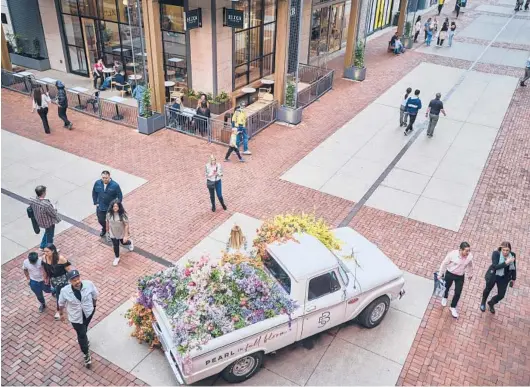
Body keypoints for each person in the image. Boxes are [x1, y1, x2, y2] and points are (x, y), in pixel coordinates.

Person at [58, 269, 98, 368]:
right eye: (74, 280)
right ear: (69, 282)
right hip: (76, 318)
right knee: (81, 334)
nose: (77, 281)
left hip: (88, 313)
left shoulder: (89, 284)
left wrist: (94, 306)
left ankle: (84, 338)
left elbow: (95, 295)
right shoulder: (65, 291)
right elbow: (61, 304)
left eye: (78, 278)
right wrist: (61, 314)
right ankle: (86, 354)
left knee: (84, 329)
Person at [438, 242, 474, 319]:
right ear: (461, 250)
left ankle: (453, 307)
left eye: (469, 250)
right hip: (450, 274)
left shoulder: (469, 256)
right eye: (466, 251)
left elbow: (470, 265)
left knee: (458, 292)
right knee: (446, 287)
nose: (468, 252)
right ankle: (445, 297)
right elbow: (444, 263)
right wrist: (440, 274)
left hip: (460, 276)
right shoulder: (452, 254)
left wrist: (470, 274)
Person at [480, 242, 517, 313]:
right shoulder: (496, 254)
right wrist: (506, 262)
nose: (505, 252)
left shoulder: (512, 255)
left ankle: (491, 302)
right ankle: (483, 301)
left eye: (507, 250)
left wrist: (513, 278)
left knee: (501, 295)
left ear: (510, 250)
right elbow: (495, 267)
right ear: (501, 248)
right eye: (504, 250)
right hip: (494, 275)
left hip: (504, 278)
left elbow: (514, 267)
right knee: (488, 289)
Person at [42, 243, 72, 320]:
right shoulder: (44, 258)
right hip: (53, 280)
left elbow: (69, 270)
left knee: (59, 295)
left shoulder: (60, 259)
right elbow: (45, 268)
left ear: (53, 251)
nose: (45, 253)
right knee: (55, 290)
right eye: (44, 251)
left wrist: (72, 279)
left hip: (61, 280)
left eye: (47, 251)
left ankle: (58, 310)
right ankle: (57, 292)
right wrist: (45, 277)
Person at [29, 185, 61, 250]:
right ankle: (50, 249)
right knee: (50, 236)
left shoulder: (32, 200)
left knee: (47, 232)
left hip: (39, 221)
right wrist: (54, 208)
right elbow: (53, 214)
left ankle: (42, 246)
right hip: (48, 223)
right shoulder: (46, 204)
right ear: (43, 193)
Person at [92, 171, 123, 237]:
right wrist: (96, 202)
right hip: (100, 206)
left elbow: (120, 196)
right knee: (100, 220)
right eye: (103, 178)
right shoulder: (97, 183)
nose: (104, 179)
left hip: (110, 208)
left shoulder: (115, 185)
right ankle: (105, 229)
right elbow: (94, 192)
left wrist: (117, 206)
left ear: (109, 177)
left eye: (106, 178)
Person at [106, 199, 134, 266]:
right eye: (114, 206)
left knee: (123, 243)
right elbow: (107, 222)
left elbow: (126, 225)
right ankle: (117, 257)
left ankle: (130, 243)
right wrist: (107, 232)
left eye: (117, 206)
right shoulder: (109, 214)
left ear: (119, 207)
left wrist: (126, 235)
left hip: (121, 232)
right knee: (116, 245)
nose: (115, 208)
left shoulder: (123, 215)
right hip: (113, 233)